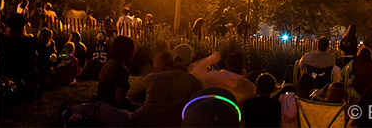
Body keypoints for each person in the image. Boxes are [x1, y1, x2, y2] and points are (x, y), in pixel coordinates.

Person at [69, 45, 203, 127]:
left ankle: (68, 113)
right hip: (170, 124)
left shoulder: (154, 78)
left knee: (99, 108)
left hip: (137, 123)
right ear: (189, 62)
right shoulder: (196, 84)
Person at [189, 49, 256, 106]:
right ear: (243, 65)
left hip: (215, 116)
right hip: (235, 119)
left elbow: (195, 72)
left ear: (227, 64)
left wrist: (214, 57)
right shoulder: (250, 87)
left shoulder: (215, 77)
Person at [0, 13, 39, 99]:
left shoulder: (3, 40)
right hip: (24, 72)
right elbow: (32, 59)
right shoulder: (28, 41)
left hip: (6, 71)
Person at [97, 35, 135, 108]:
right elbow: (119, 101)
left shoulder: (109, 64)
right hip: (111, 110)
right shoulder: (121, 70)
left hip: (101, 106)